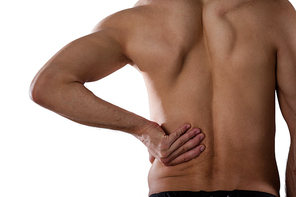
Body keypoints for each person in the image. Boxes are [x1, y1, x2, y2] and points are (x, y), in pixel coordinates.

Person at [29, 0, 296, 196]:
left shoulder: (138, 21)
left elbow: (49, 84)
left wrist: (145, 132)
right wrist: (144, 130)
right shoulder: (273, 12)